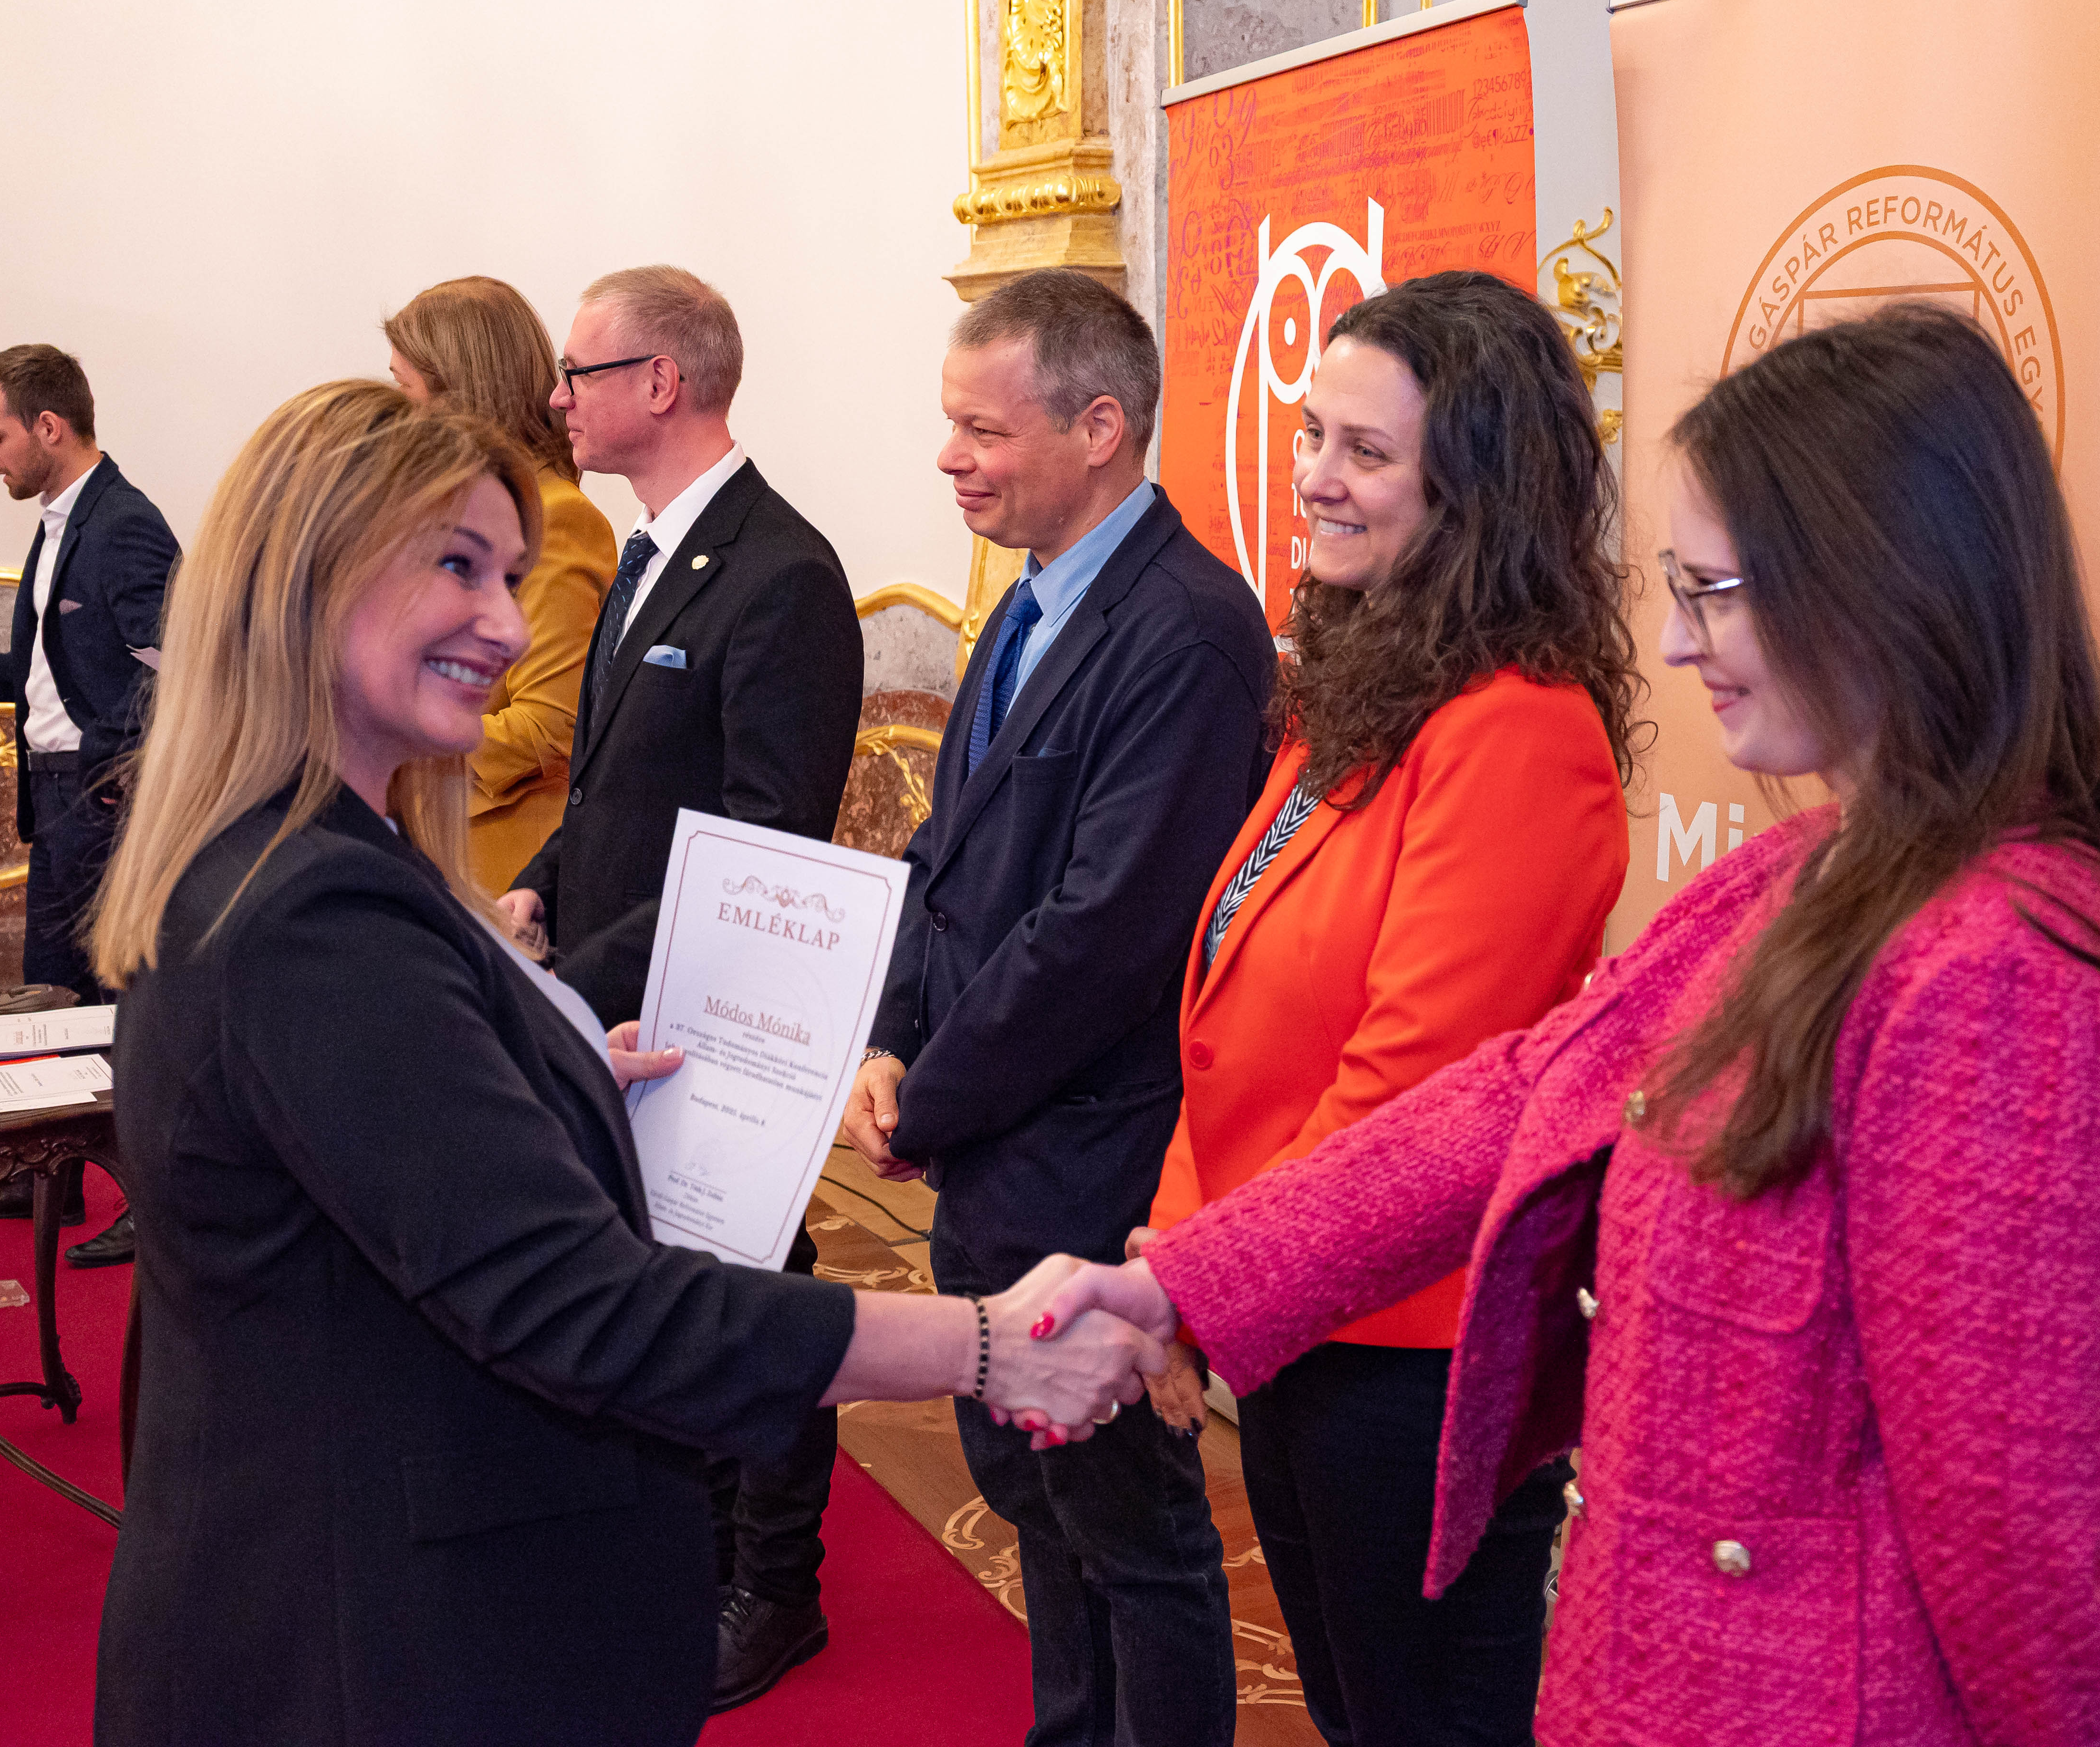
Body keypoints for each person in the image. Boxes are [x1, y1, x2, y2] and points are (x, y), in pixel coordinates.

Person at [1041, 303, 2100, 1747]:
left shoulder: (2008, 978)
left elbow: (2019, 1572)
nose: (1679, 642)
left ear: (1887, 585)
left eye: (1713, 592)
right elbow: (1519, 1093)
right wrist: (1187, 1282)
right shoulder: (1805, 874)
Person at [86, 380, 1166, 1747]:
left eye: (510, 577)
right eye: (457, 567)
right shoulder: (314, 913)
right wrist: (989, 1344)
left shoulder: (307, 861)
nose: (504, 624)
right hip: (371, 1654)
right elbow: (586, 1308)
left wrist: (554, 1080)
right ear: (309, 577)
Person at [1140, 272, 1636, 1747]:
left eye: (1366, 452)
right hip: (1297, 1317)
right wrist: (1182, 1257)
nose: (1313, 477)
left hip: (1417, 1357)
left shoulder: (1520, 729)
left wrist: (1199, 1288)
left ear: (1476, 496)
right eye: (1312, 434)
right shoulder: (1363, 689)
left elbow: (1410, 1090)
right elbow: (1230, 1008)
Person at [841, 267, 1274, 1747]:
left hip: (1092, 1165)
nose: (951, 458)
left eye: (983, 429)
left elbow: (1103, 936)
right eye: (950, 425)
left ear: (1101, 427)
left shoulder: (1187, 629)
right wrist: (892, 1042)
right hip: (995, 1150)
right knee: (1036, 1500)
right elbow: (943, 861)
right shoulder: (1027, 599)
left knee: (1132, 1534)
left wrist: (931, 1099)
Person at [489, 264, 863, 1709]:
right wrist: (538, 887)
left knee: (755, 1288)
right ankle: (686, 1553)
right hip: (626, 986)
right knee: (662, 1280)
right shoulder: (651, 551)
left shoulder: (782, 573)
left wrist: (573, 987)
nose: (557, 398)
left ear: (663, 382)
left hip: (718, 1003)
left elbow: (767, 838)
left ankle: (775, 1585)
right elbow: (614, 785)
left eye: (579, 372)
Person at [0, 343, 177, 1270]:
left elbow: (172, 668)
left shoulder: (124, 525)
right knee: (53, 991)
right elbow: (49, 665)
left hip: (102, 798)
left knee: (125, 1005)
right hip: (55, 798)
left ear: (48, 427)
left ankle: (157, 1205)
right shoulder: (60, 522)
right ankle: (45, 1175)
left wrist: (107, 768)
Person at [384, 276, 618, 891]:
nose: (396, 418)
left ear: (458, 394)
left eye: (404, 390)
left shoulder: (556, 518)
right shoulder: (449, 513)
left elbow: (551, 724)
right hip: (436, 839)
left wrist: (397, 725)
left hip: (503, 862)